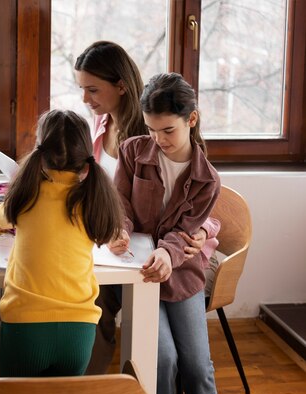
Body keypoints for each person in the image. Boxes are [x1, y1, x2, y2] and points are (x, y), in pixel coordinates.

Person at [74, 40, 221, 374]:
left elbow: (203, 209)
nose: (86, 99)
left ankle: (90, 391)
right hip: (121, 243)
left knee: (90, 296)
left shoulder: (153, 135)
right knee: (74, 287)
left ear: (121, 86)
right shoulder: (104, 127)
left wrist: (202, 229)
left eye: (93, 89)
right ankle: (80, 389)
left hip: (164, 255)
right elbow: (111, 195)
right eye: (82, 89)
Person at [113, 72, 220, 394]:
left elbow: (187, 232)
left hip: (182, 275)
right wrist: (121, 230)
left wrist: (167, 253)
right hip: (140, 273)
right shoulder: (132, 152)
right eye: (151, 130)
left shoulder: (207, 180)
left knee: (198, 368)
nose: (158, 139)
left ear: (191, 119)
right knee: (163, 359)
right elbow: (121, 205)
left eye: (168, 130)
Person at [0, 109, 123, 377]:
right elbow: (109, 233)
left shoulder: (26, 194)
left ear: (41, 157)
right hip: (79, 331)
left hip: (25, 327)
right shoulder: (94, 199)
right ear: (86, 162)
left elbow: (1, 220)